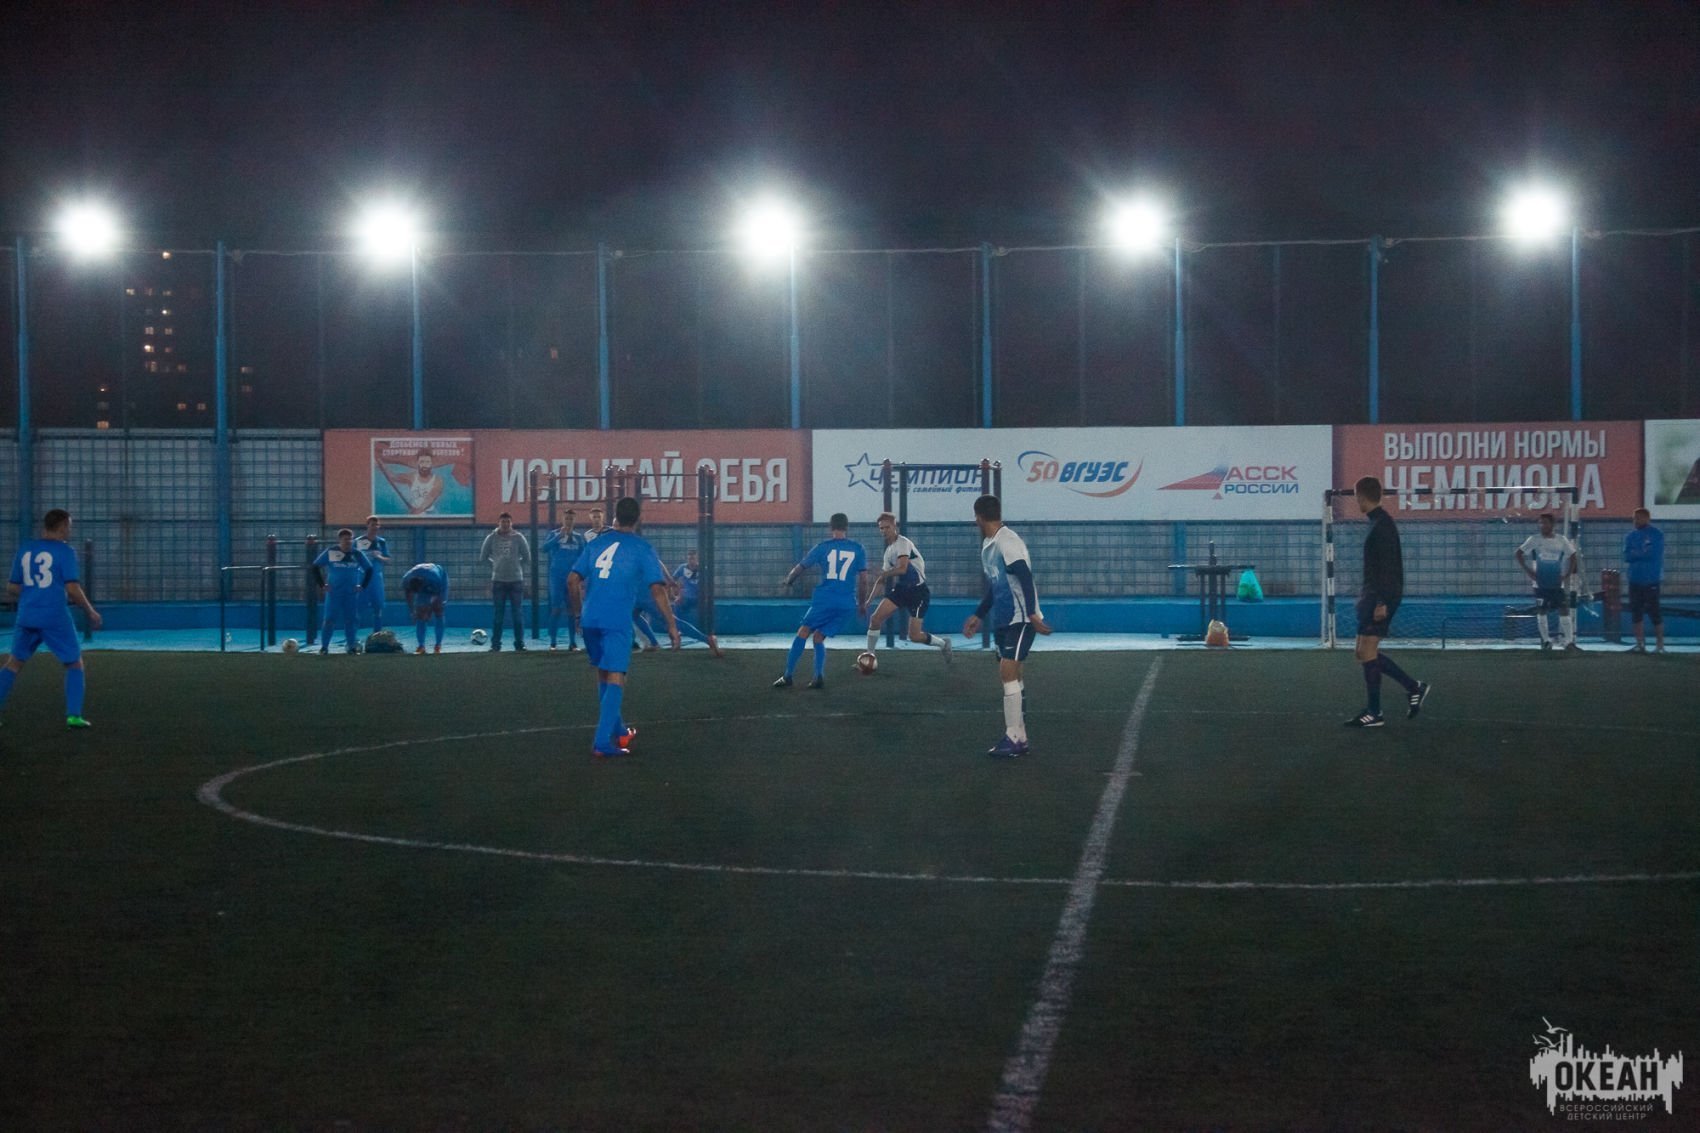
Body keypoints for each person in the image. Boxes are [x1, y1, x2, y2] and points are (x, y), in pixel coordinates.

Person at [568, 496, 680, 757]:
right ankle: (602, 743)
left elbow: (572, 580)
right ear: (639, 519)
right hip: (616, 620)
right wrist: (671, 625)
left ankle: (620, 731)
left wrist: (578, 613)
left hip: (590, 618)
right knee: (617, 675)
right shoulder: (642, 548)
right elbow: (657, 589)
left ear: (615, 516)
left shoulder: (596, 543)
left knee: (603, 673)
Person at [962, 495, 1051, 757]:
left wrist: (1032, 613)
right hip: (1004, 618)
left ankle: (1013, 737)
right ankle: (1020, 737)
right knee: (1014, 675)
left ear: (978, 517)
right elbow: (996, 585)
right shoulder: (989, 545)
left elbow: (1024, 576)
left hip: (1020, 619)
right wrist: (979, 614)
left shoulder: (1007, 541)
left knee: (1007, 671)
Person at [0, 509, 103, 728]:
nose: (70, 530)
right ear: (63, 526)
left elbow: (11, 587)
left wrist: (34, 593)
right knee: (74, 663)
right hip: (54, 615)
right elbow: (72, 588)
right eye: (69, 526)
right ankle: (74, 716)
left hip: (26, 614)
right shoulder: (65, 551)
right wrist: (90, 611)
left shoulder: (25, 549)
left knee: (14, 663)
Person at [1343, 476, 1430, 727]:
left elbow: (1388, 568)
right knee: (1362, 653)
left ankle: (1376, 711)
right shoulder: (1378, 522)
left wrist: (1381, 602)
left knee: (1367, 651)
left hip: (1381, 597)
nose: (1356, 501)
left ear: (1361, 496)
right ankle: (1412, 688)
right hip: (1373, 595)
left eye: (1356, 497)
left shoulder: (1382, 525)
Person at [773, 513, 869, 690]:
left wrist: (788, 581)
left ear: (830, 527)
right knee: (818, 637)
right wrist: (862, 604)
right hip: (847, 604)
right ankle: (818, 677)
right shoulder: (858, 549)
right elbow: (863, 580)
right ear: (847, 527)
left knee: (803, 632)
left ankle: (788, 676)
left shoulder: (822, 547)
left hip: (825, 600)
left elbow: (801, 567)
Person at [864, 512, 952, 664]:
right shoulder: (888, 552)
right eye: (881, 528)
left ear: (894, 526)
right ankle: (870, 656)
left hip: (918, 592)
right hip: (902, 590)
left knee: (914, 636)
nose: (884, 531)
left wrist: (884, 573)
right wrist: (868, 601)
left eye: (887, 527)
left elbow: (903, 568)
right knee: (875, 619)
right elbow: (881, 580)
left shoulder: (903, 543)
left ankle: (943, 644)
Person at [633, 552, 724, 657]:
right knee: (634, 614)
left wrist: (669, 581)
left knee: (670, 620)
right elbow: (657, 562)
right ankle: (654, 642)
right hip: (640, 591)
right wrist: (669, 579)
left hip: (644, 593)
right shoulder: (640, 553)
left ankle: (707, 639)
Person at [1514, 512, 1578, 651]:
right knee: (1542, 611)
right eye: (1540, 523)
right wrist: (1529, 571)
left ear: (1552, 524)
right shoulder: (1534, 539)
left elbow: (1573, 555)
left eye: (1545, 522)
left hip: (1556, 583)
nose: (1542, 525)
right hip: (1540, 583)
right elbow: (1518, 553)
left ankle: (1569, 642)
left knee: (1564, 610)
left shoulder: (1561, 540)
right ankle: (1546, 641)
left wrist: (1567, 574)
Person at [313, 528, 374, 654]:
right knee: (329, 619)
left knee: (351, 620)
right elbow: (315, 566)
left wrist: (362, 585)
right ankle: (324, 647)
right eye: (346, 539)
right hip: (334, 593)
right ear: (340, 540)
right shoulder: (331, 551)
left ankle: (351, 646)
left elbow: (369, 569)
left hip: (351, 593)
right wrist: (322, 585)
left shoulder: (357, 554)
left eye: (350, 539)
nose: (348, 542)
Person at [479, 511, 531, 652]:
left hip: (516, 581)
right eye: (503, 522)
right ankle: (496, 644)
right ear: (499, 523)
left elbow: (527, 557)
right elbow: (483, 557)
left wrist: (516, 565)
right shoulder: (491, 538)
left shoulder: (519, 537)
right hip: (498, 581)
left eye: (508, 522)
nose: (506, 524)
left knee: (517, 614)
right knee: (498, 615)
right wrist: (495, 565)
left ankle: (519, 644)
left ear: (511, 523)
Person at [540, 510, 585, 651]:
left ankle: (572, 643)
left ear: (574, 520)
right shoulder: (554, 534)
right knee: (556, 608)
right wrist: (558, 536)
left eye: (571, 519)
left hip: (572, 578)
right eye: (567, 518)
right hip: (557, 578)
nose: (569, 521)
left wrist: (582, 577)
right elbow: (544, 548)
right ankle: (553, 643)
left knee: (572, 609)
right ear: (562, 519)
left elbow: (583, 556)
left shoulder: (578, 537)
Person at [1623, 507, 1666, 654]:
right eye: (1634, 518)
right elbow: (1627, 556)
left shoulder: (1656, 534)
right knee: (1636, 612)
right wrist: (1641, 553)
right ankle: (1639, 644)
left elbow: (1653, 554)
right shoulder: (1630, 536)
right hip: (1635, 579)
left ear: (1647, 518)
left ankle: (1660, 645)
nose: (1635, 521)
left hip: (1651, 579)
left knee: (1654, 612)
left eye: (1638, 518)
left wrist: (1636, 554)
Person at [377, 450, 447, 516]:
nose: (425, 465)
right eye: (422, 462)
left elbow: (431, 497)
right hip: (414, 511)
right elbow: (393, 477)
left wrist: (419, 510)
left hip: (430, 513)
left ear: (431, 464)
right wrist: (381, 464)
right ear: (417, 463)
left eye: (427, 462)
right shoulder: (411, 477)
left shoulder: (438, 480)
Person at [400, 562, 450, 654]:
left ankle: (438, 645)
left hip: (440, 581)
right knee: (421, 615)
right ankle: (421, 646)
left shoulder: (434, 578)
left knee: (438, 610)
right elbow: (408, 595)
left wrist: (429, 608)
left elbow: (437, 596)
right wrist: (412, 611)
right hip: (424, 583)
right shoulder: (406, 579)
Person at [354, 515, 391, 632]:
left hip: (376, 578)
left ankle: (377, 634)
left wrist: (379, 557)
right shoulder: (359, 541)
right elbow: (352, 558)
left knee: (378, 606)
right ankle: (353, 635)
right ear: (367, 526)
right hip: (361, 577)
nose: (375, 527)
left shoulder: (381, 542)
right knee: (357, 606)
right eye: (372, 525)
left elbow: (388, 560)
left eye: (377, 525)